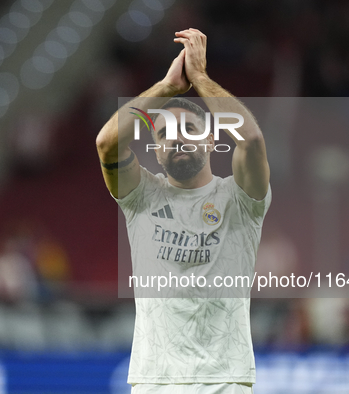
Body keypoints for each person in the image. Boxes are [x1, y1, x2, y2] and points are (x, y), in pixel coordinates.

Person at [96, 28, 271, 394]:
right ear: (156, 151)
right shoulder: (141, 196)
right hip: (154, 380)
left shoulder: (240, 198)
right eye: (163, 133)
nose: (176, 137)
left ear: (211, 138)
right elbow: (106, 143)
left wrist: (201, 78)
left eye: (189, 128)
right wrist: (166, 88)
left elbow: (251, 139)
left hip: (225, 380)